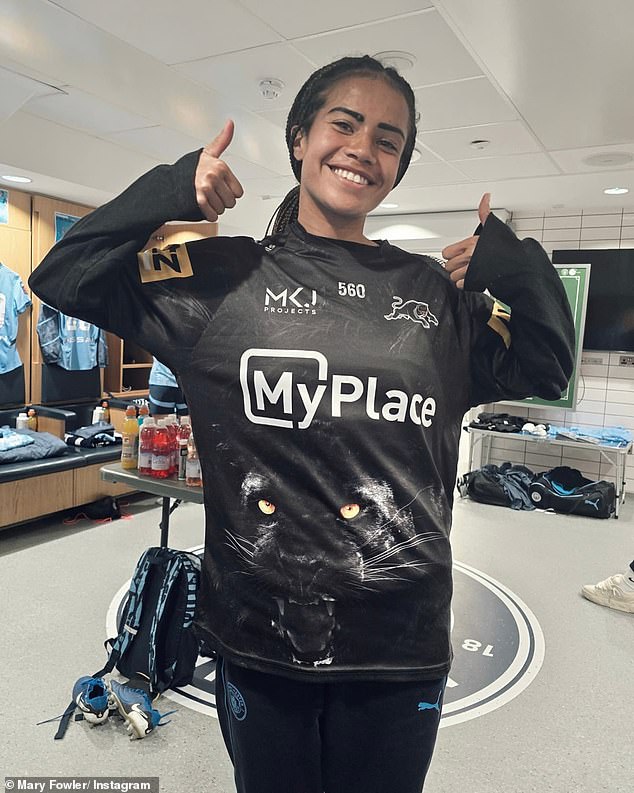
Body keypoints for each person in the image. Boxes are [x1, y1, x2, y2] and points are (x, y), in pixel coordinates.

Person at [29, 55, 575, 792]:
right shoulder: (221, 279)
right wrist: (169, 190)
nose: (362, 147)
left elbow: (546, 367)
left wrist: (512, 267)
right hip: (259, 637)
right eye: (343, 124)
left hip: (400, 639)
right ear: (299, 137)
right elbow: (62, 273)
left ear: (399, 167)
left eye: (388, 139)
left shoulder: (431, 298)